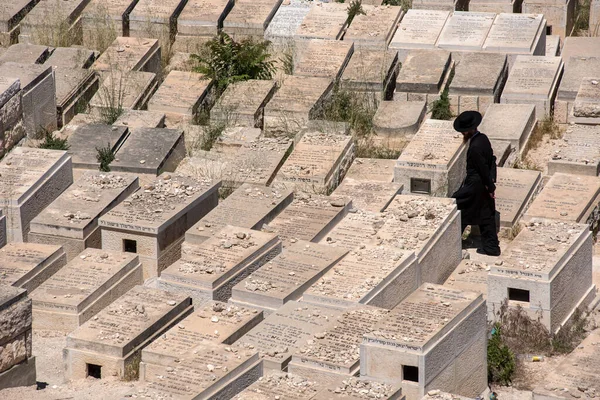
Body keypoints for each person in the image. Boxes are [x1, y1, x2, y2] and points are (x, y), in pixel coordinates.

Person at [451, 111, 501, 256]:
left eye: (463, 132)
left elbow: (483, 169)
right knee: (486, 215)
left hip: (476, 185)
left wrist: (490, 186)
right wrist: (491, 182)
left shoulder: (474, 148)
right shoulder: (483, 139)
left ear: (468, 131)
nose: (462, 134)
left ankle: (451, 242)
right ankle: (491, 247)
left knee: (458, 206)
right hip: (483, 185)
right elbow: (492, 160)